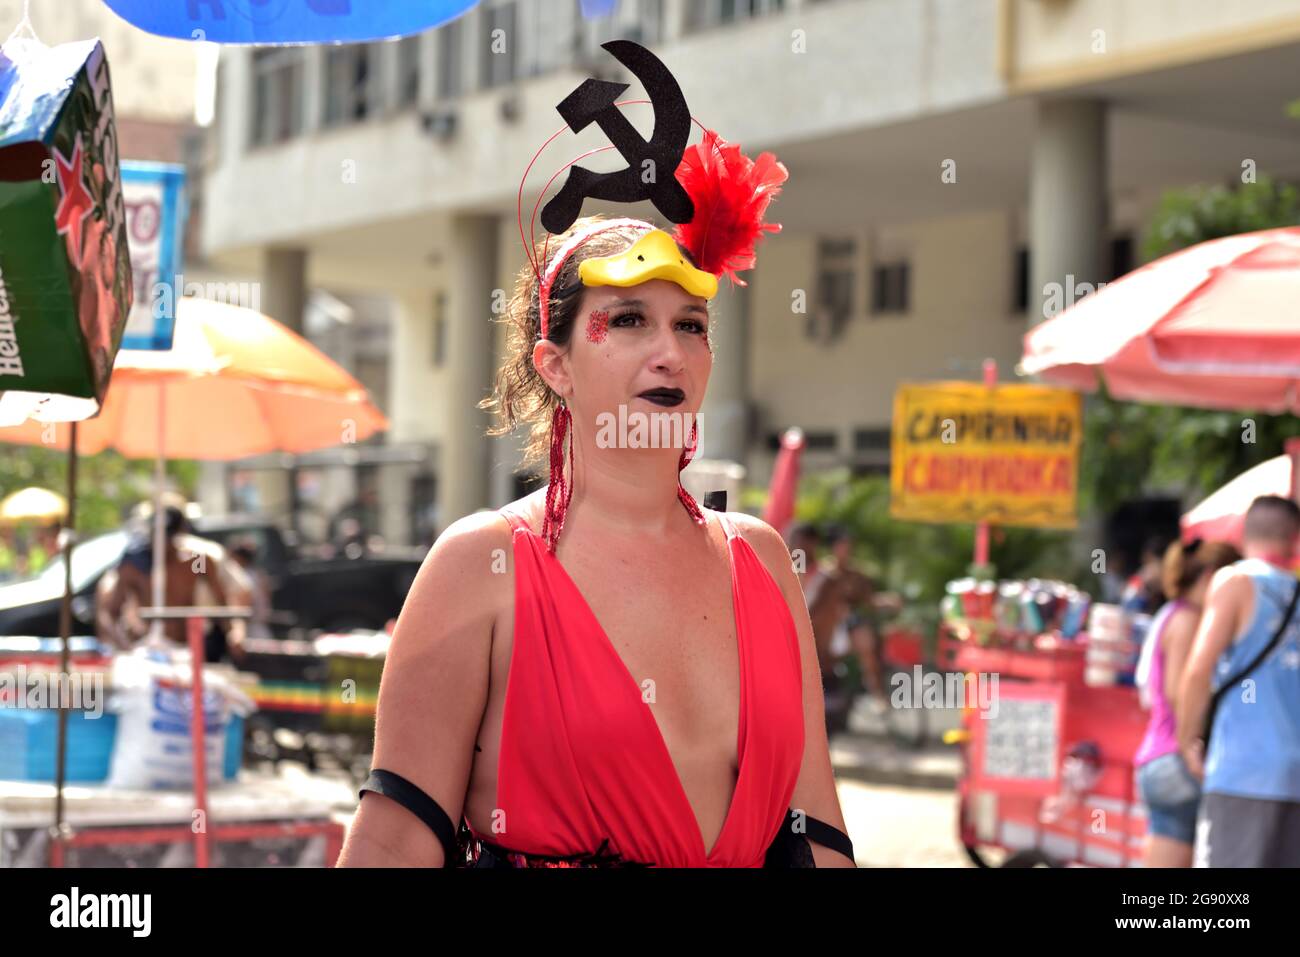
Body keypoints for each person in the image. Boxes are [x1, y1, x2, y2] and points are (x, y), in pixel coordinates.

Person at [340, 46, 851, 868]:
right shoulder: (482, 564)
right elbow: (397, 839)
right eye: (628, 321)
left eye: (690, 325)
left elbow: (817, 833)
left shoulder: (761, 560)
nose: (670, 353)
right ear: (556, 364)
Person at [1177, 495, 1300, 867]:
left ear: (1244, 534)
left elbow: (1199, 669)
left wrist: (1187, 740)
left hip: (1243, 769)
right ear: (1294, 540)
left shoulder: (1234, 580)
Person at [1133, 538, 1239, 868]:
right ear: (1211, 577)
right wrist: (1192, 747)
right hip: (1176, 759)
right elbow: (1180, 691)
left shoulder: (1172, 612)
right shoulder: (1191, 621)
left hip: (1160, 758)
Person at [100, 496, 250, 664]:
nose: (165, 542)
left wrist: (235, 632)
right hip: (149, 648)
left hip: (191, 648)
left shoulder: (195, 560)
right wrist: (125, 647)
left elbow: (221, 602)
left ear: (181, 531)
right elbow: (110, 613)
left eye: (169, 536)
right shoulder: (134, 566)